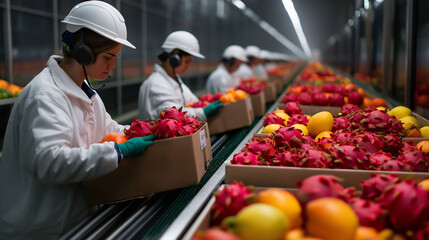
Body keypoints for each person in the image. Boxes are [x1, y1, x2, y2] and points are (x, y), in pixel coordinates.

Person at [0, 1, 154, 239]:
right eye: (108, 57)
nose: (112, 66)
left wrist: (141, 131)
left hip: (75, 222)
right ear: (84, 51)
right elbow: (49, 162)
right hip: (39, 229)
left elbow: (109, 127)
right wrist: (117, 152)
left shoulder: (85, 92)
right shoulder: (45, 95)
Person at [138, 31, 224, 121]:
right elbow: (170, 112)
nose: (188, 66)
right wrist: (203, 112)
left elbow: (192, 101)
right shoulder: (156, 84)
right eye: (187, 61)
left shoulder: (175, 80)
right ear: (175, 56)